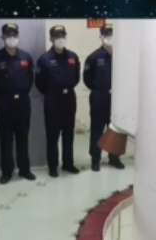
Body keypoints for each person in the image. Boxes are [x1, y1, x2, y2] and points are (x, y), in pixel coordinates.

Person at [0, 23, 36, 184]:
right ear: (3, 37)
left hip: (22, 103)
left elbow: (30, 79)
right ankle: (7, 172)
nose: (12, 38)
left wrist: (21, 92)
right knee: (5, 139)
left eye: (14, 34)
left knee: (23, 137)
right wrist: (2, 96)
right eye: (8, 35)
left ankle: (24, 170)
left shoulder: (26, 57)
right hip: (4, 104)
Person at [36, 25, 81, 177]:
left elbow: (76, 78)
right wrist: (52, 92)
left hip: (69, 99)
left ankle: (68, 163)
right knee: (52, 135)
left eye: (62, 36)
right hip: (53, 100)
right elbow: (40, 83)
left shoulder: (72, 57)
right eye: (57, 36)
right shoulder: (44, 59)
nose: (60, 39)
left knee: (68, 134)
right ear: (51, 39)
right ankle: (53, 166)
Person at [83, 23, 124, 171]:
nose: (110, 37)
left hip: (117, 98)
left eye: (112, 34)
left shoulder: (122, 56)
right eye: (107, 35)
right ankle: (95, 159)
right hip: (99, 97)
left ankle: (114, 157)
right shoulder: (94, 57)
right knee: (97, 129)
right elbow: (87, 79)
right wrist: (98, 89)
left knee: (116, 129)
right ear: (101, 37)